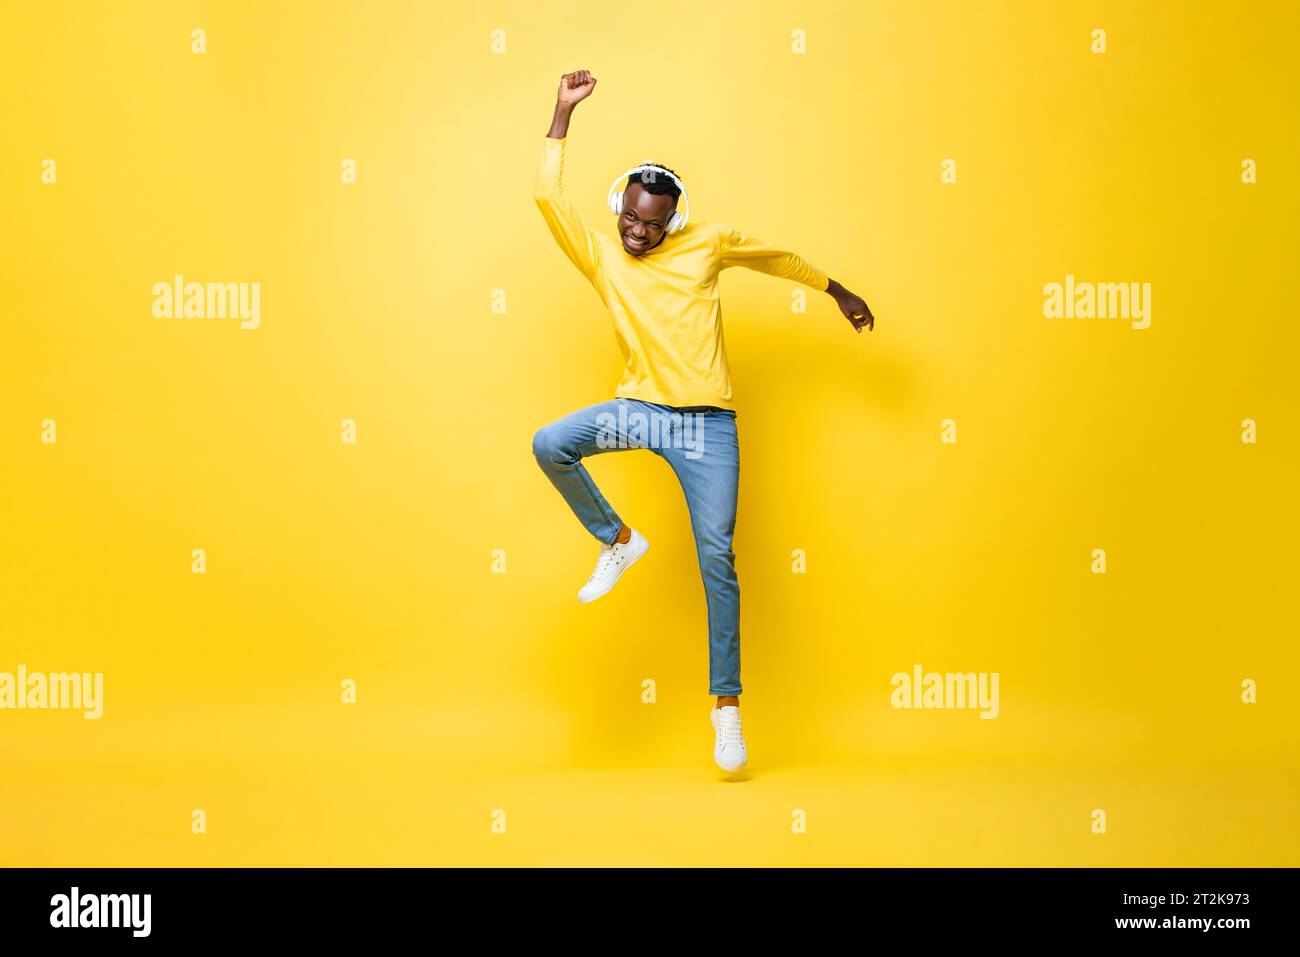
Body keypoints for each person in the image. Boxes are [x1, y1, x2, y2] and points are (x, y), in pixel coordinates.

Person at [532, 69, 875, 772]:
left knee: (717, 560)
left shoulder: (708, 244)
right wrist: (563, 112)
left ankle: (726, 709)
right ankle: (618, 539)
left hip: (707, 428)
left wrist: (836, 290)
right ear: (618, 207)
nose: (637, 232)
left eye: (651, 224)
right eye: (630, 217)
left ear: (673, 222)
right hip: (639, 413)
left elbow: (774, 257)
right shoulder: (601, 256)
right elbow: (546, 196)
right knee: (550, 444)